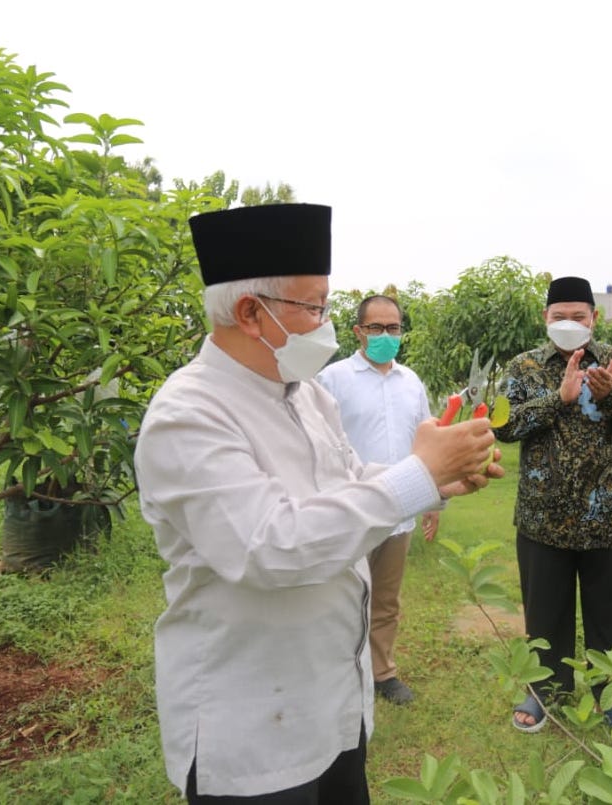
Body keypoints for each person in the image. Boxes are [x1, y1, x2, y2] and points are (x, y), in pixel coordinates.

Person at [135, 203, 503, 803]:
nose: (327, 325)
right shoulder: (189, 414)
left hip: (332, 707)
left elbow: (349, 477)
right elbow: (269, 544)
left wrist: (435, 478)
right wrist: (415, 479)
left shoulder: (306, 396)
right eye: (315, 307)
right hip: (253, 729)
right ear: (252, 313)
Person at [494, 276, 612, 733]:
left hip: (611, 517)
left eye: (577, 316)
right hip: (542, 516)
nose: (568, 323)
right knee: (545, 611)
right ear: (545, 319)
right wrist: (559, 398)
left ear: (593, 318)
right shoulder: (525, 366)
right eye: (559, 316)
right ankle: (543, 691)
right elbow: (503, 426)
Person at [317, 294, 437, 706]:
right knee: (343, 598)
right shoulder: (333, 380)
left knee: (386, 599)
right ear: (358, 332)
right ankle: (338, 674)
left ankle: (382, 671)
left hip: (400, 511)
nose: (386, 336)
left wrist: (434, 504)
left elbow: (426, 444)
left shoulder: (411, 382)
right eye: (376, 328)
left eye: (394, 328)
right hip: (349, 510)